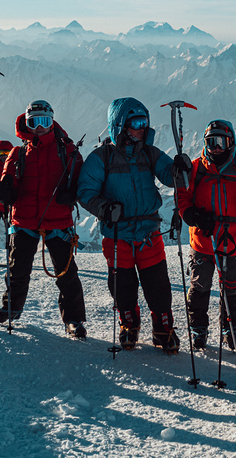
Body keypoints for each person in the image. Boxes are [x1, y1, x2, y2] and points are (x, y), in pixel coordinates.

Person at [77, 97, 191, 353]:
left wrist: (183, 168)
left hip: (148, 232)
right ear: (119, 126)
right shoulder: (101, 158)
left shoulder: (150, 154)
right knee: (122, 286)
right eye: (136, 122)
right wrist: (104, 208)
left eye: (145, 123)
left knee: (158, 285)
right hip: (117, 233)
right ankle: (129, 324)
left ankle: (162, 329)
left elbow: (174, 178)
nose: (142, 128)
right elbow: (85, 191)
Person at [0, 100, 87, 339]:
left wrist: (72, 193)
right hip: (24, 220)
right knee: (17, 270)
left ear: (52, 122)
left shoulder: (67, 150)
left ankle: (74, 320)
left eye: (45, 121)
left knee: (66, 273)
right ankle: (11, 308)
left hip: (57, 220)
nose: (40, 127)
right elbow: (7, 180)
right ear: (27, 124)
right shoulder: (19, 152)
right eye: (35, 122)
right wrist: (6, 189)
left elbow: (81, 182)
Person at [176, 120, 236, 351]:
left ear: (231, 142)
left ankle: (230, 328)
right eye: (211, 142)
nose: (216, 148)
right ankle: (198, 329)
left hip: (234, 241)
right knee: (200, 286)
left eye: (221, 142)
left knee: (232, 287)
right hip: (204, 240)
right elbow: (182, 199)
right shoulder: (196, 168)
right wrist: (192, 216)